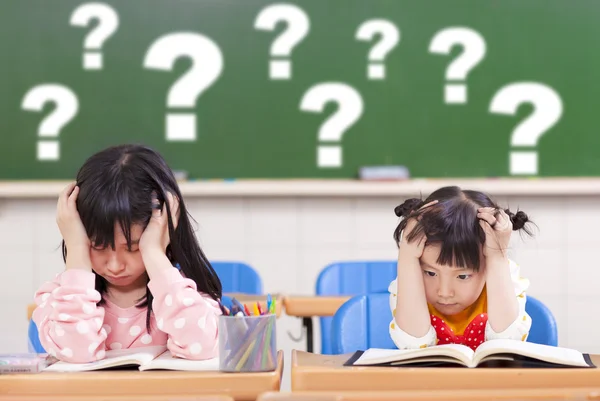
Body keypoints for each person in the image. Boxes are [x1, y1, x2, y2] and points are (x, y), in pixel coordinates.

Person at [32, 144, 223, 363]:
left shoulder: (186, 295)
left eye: (133, 248)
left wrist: (153, 252)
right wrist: (76, 249)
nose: (114, 265)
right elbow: (77, 354)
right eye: (97, 246)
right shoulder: (63, 298)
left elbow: (203, 347)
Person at [389, 186, 534, 350]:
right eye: (430, 273)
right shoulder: (410, 281)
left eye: (463, 276)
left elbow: (508, 341)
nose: (444, 292)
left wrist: (497, 256)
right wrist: (407, 257)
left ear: (488, 266)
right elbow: (412, 344)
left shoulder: (503, 276)